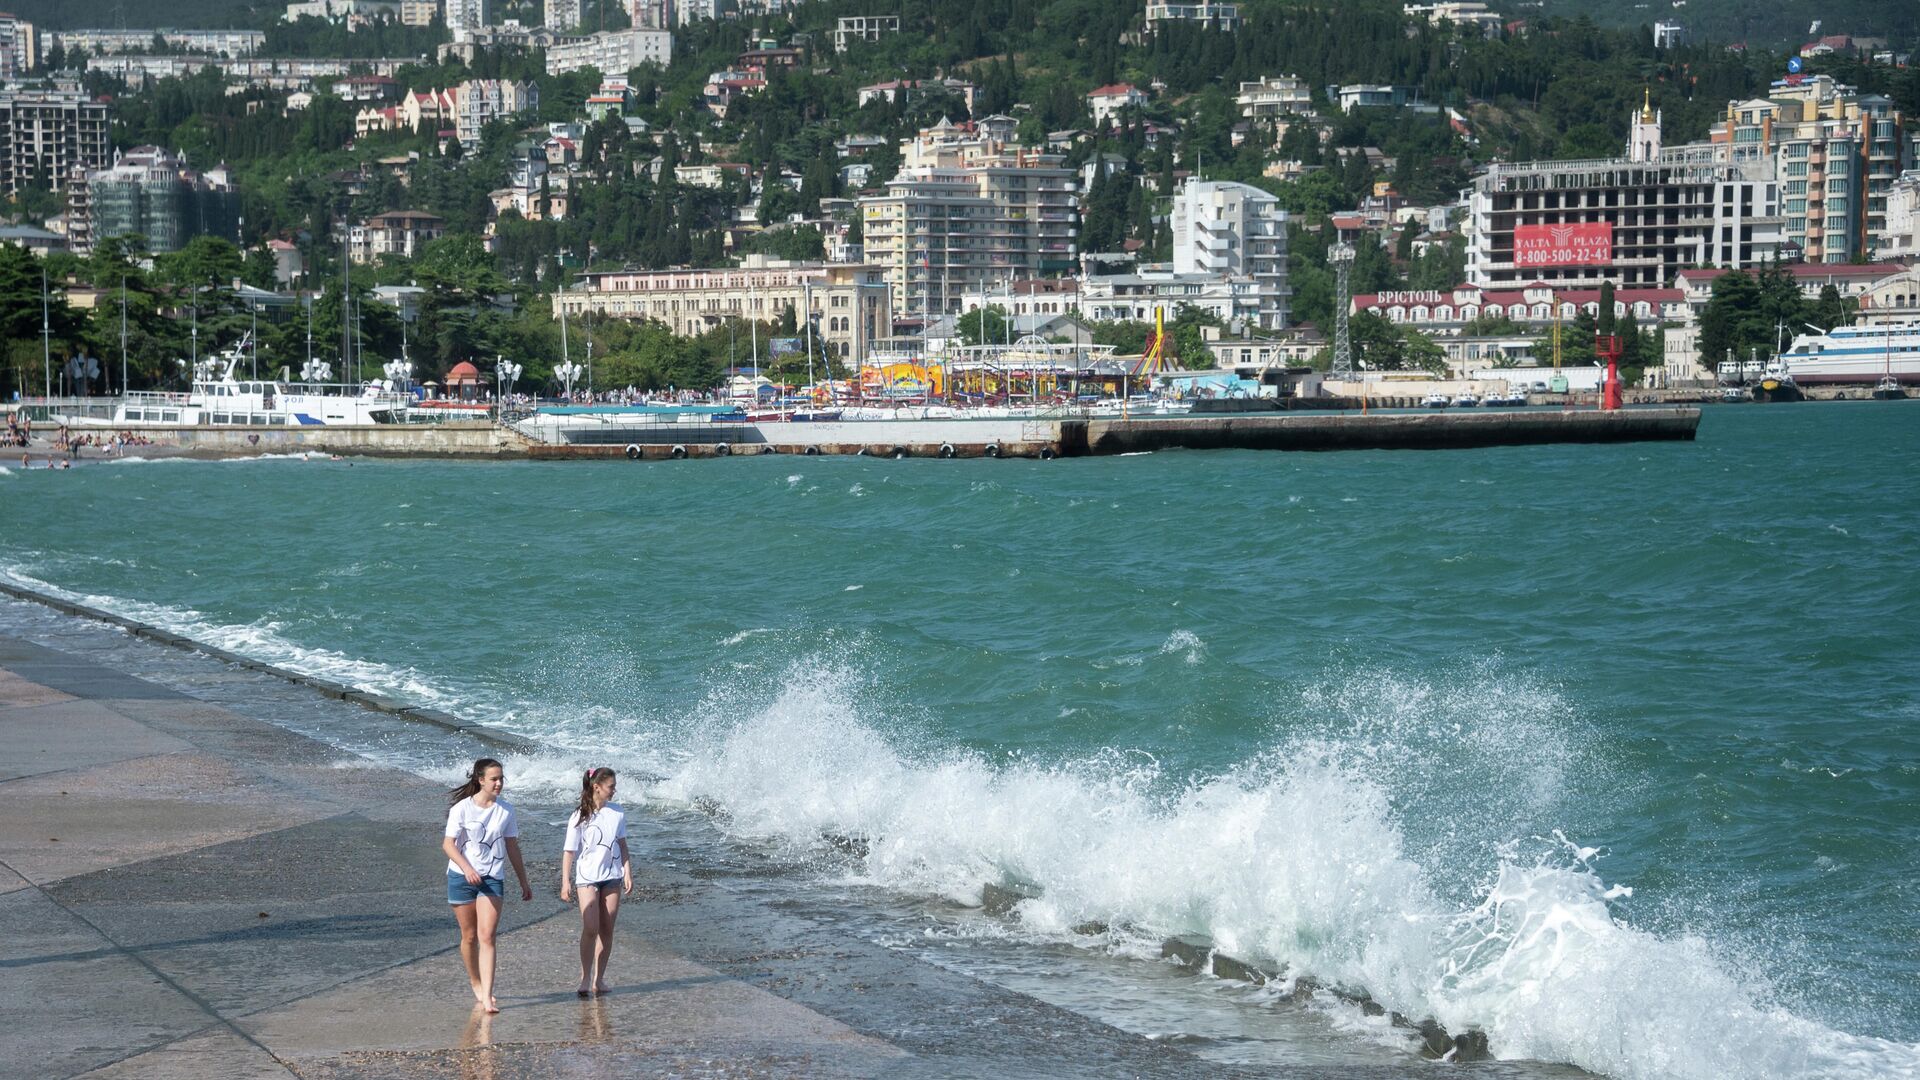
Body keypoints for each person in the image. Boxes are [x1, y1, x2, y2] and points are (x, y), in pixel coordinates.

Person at [443, 757, 532, 1013]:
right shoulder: (462, 809)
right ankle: (475, 982)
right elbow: (448, 845)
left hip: (492, 878)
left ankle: (488, 994)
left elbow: (512, 847)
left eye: (501, 778)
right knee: (469, 936)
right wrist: (468, 868)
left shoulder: (506, 810)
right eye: (494, 779)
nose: (499, 783)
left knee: (487, 936)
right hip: (462, 877)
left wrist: (524, 880)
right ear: (480, 780)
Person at [560, 766, 631, 996]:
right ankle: (585, 977)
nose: (614, 791)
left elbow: (622, 844)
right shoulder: (579, 815)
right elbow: (569, 851)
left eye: (614, 786)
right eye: (611, 787)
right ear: (596, 787)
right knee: (590, 927)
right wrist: (565, 882)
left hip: (612, 877)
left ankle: (599, 980)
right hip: (587, 877)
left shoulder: (617, 813)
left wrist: (627, 871)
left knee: (607, 929)